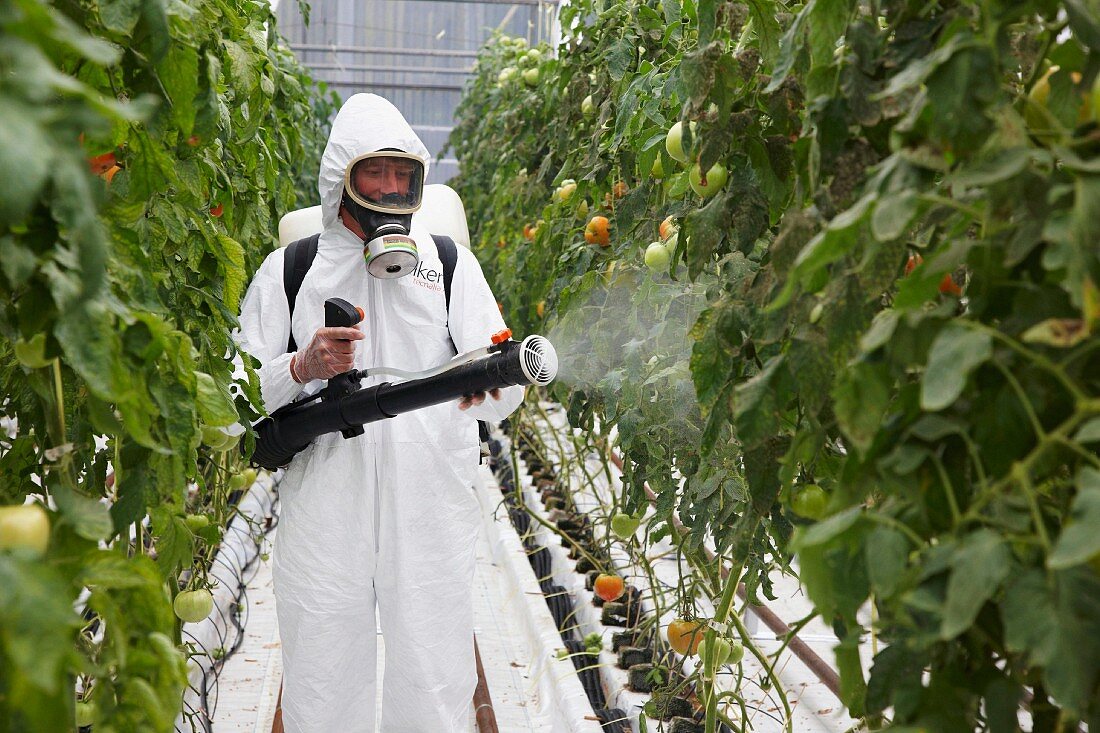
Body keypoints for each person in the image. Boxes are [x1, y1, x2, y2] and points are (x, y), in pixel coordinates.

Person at [234, 93, 524, 732]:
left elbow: (509, 388)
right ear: (343, 179)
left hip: (429, 505)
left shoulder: (448, 265)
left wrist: (487, 385)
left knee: (434, 676)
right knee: (322, 674)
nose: (391, 188)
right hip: (325, 508)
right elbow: (237, 399)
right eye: (375, 172)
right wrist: (303, 366)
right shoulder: (293, 270)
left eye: (403, 174)